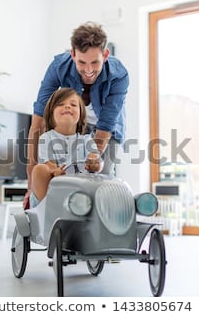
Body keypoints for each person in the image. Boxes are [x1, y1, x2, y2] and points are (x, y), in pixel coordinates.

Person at [24, 21, 129, 208]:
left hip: (107, 129)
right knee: (61, 174)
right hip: (73, 124)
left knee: (101, 178)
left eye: (95, 62)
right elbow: (38, 122)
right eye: (82, 62)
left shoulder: (119, 75)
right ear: (73, 54)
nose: (89, 71)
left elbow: (106, 125)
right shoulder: (58, 67)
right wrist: (31, 184)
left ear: (105, 55)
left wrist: (91, 160)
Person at [29, 88, 102, 207]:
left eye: (73, 105)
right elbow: (49, 165)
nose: (67, 107)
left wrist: (95, 162)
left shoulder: (86, 140)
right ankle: (48, 210)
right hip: (52, 190)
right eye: (61, 104)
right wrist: (55, 172)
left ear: (81, 114)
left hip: (79, 191)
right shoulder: (46, 138)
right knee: (39, 169)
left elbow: (97, 161)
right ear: (51, 113)